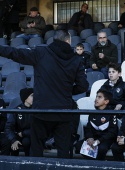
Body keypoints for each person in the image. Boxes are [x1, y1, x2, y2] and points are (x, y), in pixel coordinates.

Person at [0, 29, 89, 158]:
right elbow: (83, 86)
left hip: (41, 112)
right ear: (68, 41)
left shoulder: (41, 53)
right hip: (63, 113)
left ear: (54, 40)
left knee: (36, 150)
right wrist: (66, 91)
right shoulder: (76, 60)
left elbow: (16, 53)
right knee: (63, 152)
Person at [75, 89, 118, 160]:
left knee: (102, 148)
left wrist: (99, 141)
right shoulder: (92, 113)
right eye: (96, 97)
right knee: (78, 145)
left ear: (106, 101)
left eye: (99, 97)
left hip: (105, 139)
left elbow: (112, 132)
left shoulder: (112, 114)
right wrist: (90, 138)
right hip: (93, 138)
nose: (96, 99)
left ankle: (99, 164)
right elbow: (88, 128)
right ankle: (93, 162)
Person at [5, 88, 33, 156]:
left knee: (26, 142)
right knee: (12, 144)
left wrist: (24, 133)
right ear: (25, 98)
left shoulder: (36, 110)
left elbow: (38, 128)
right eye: (32, 95)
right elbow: (8, 127)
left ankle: (28, 162)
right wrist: (13, 140)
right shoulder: (17, 110)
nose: (34, 98)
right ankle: (13, 164)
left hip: (30, 135)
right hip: (18, 135)